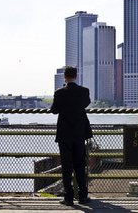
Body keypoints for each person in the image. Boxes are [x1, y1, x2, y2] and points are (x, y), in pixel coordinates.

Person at [51, 66, 93, 206]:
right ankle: (82, 196)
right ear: (76, 76)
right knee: (80, 165)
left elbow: (54, 110)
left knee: (66, 166)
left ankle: (68, 197)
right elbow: (86, 104)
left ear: (64, 76)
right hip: (79, 133)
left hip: (64, 134)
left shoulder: (59, 92)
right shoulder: (84, 91)